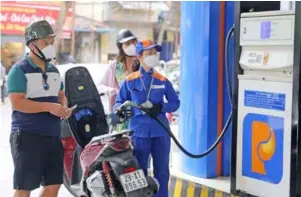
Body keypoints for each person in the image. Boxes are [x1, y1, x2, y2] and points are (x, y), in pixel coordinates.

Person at [6, 20, 71, 197]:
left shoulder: (54, 71)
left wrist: (63, 107)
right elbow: (17, 102)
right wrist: (49, 107)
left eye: (51, 42)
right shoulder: (19, 70)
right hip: (27, 136)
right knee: (24, 187)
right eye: (45, 42)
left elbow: (60, 95)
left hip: (52, 135)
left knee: (54, 185)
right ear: (32, 44)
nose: (50, 46)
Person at [114, 40, 180, 197]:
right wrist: (127, 111)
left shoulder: (162, 80)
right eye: (148, 53)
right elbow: (118, 104)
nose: (153, 56)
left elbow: (175, 102)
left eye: (154, 53)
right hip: (139, 133)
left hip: (161, 132)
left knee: (162, 173)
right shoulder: (130, 81)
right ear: (139, 56)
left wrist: (161, 108)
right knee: (139, 174)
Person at [100, 29, 139, 131]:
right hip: (122, 115)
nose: (131, 46)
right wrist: (109, 90)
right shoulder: (115, 66)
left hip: (140, 114)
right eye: (127, 43)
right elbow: (101, 86)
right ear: (121, 47)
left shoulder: (142, 63)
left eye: (133, 42)